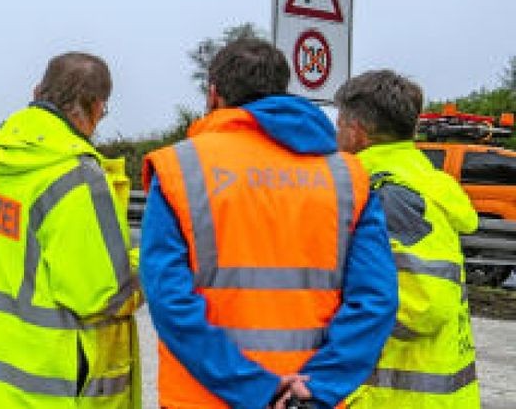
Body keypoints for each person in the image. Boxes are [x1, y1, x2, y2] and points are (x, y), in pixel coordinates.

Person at [140, 38, 398, 408]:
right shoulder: (346, 175)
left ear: (214, 94)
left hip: (203, 398)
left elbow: (170, 303)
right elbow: (375, 299)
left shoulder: (180, 169)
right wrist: (319, 387)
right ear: (279, 91)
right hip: (309, 398)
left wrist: (258, 388)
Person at [0, 52, 141, 407]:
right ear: (97, 107)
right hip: (47, 391)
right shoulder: (76, 178)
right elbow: (100, 295)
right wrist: (150, 261)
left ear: (37, 90)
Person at [335, 70, 480, 407]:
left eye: (339, 123)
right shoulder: (425, 183)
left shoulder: (387, 194)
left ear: (357, 132)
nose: (336, 134)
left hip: (394, 397)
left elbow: (422, 306)